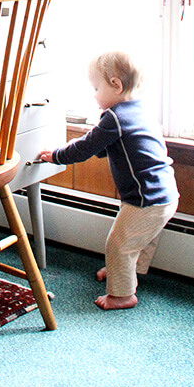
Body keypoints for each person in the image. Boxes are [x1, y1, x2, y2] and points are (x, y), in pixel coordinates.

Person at [37, 51, 179, 311]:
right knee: (140, 240)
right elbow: (115, 146)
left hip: (145, 197)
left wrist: (55, 156)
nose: (94, 94)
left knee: (118, 244)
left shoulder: (114, 117)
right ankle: (125, 272)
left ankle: (122, 294)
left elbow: (86, 147)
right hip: (165, 193)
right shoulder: (139, 110)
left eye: (96, 88)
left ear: (116, 85)